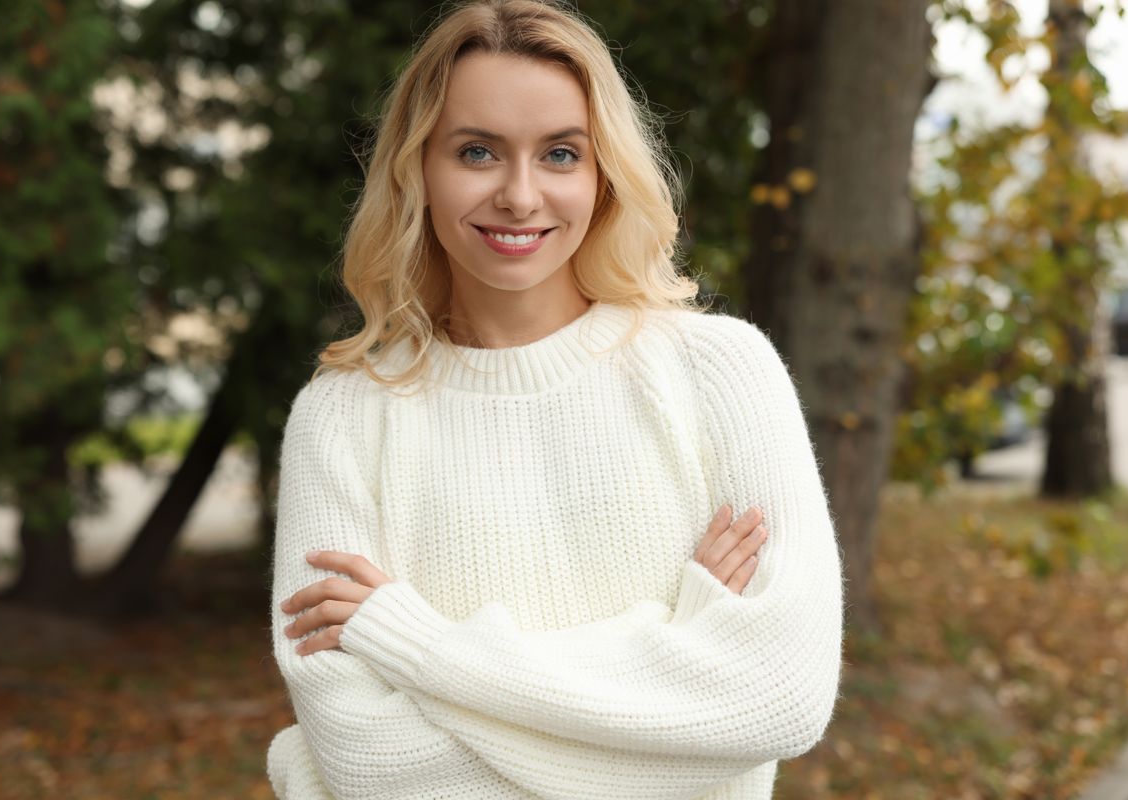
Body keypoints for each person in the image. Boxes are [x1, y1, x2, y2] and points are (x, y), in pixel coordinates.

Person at [266, 0, 844, 797]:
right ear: (416, 168)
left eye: (561, 154)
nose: (520, 195)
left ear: (603, 171)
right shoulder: (342, 417)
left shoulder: (721, 374)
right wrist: (676, 690)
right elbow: (369, 765)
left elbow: (778, 701)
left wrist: (419, 649)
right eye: (477, 151)